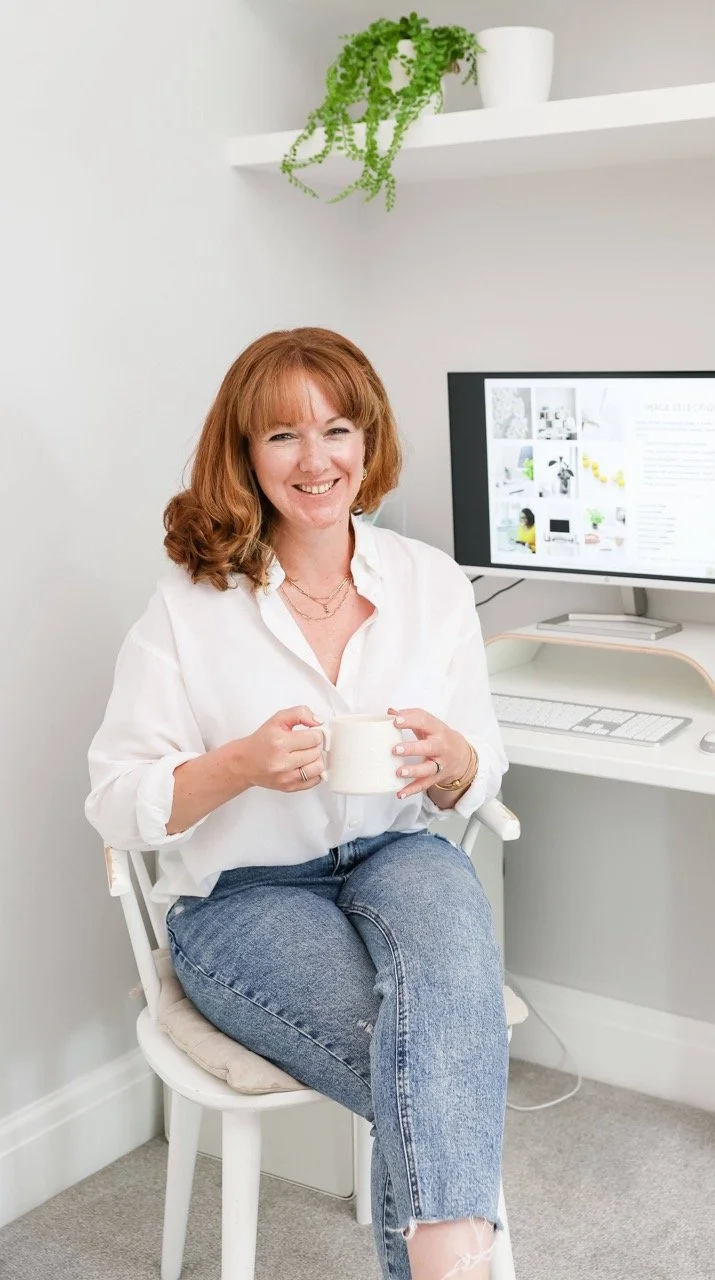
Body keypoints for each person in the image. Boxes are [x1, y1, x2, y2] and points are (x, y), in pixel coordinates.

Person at [85, 329, 510, 1280]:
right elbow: (115, 803)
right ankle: (457, 1261)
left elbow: (481, 767)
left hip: (400, 853)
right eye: (283, 437)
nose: (316, 461)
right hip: (245, 894)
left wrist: (449, 762)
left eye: (338, 429)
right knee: (442, 1056)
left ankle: (445, 1257)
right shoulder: (187, 608)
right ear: (244, 455)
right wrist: (237, 765)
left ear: (369, 443)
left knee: (440, 976)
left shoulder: (431, 585)